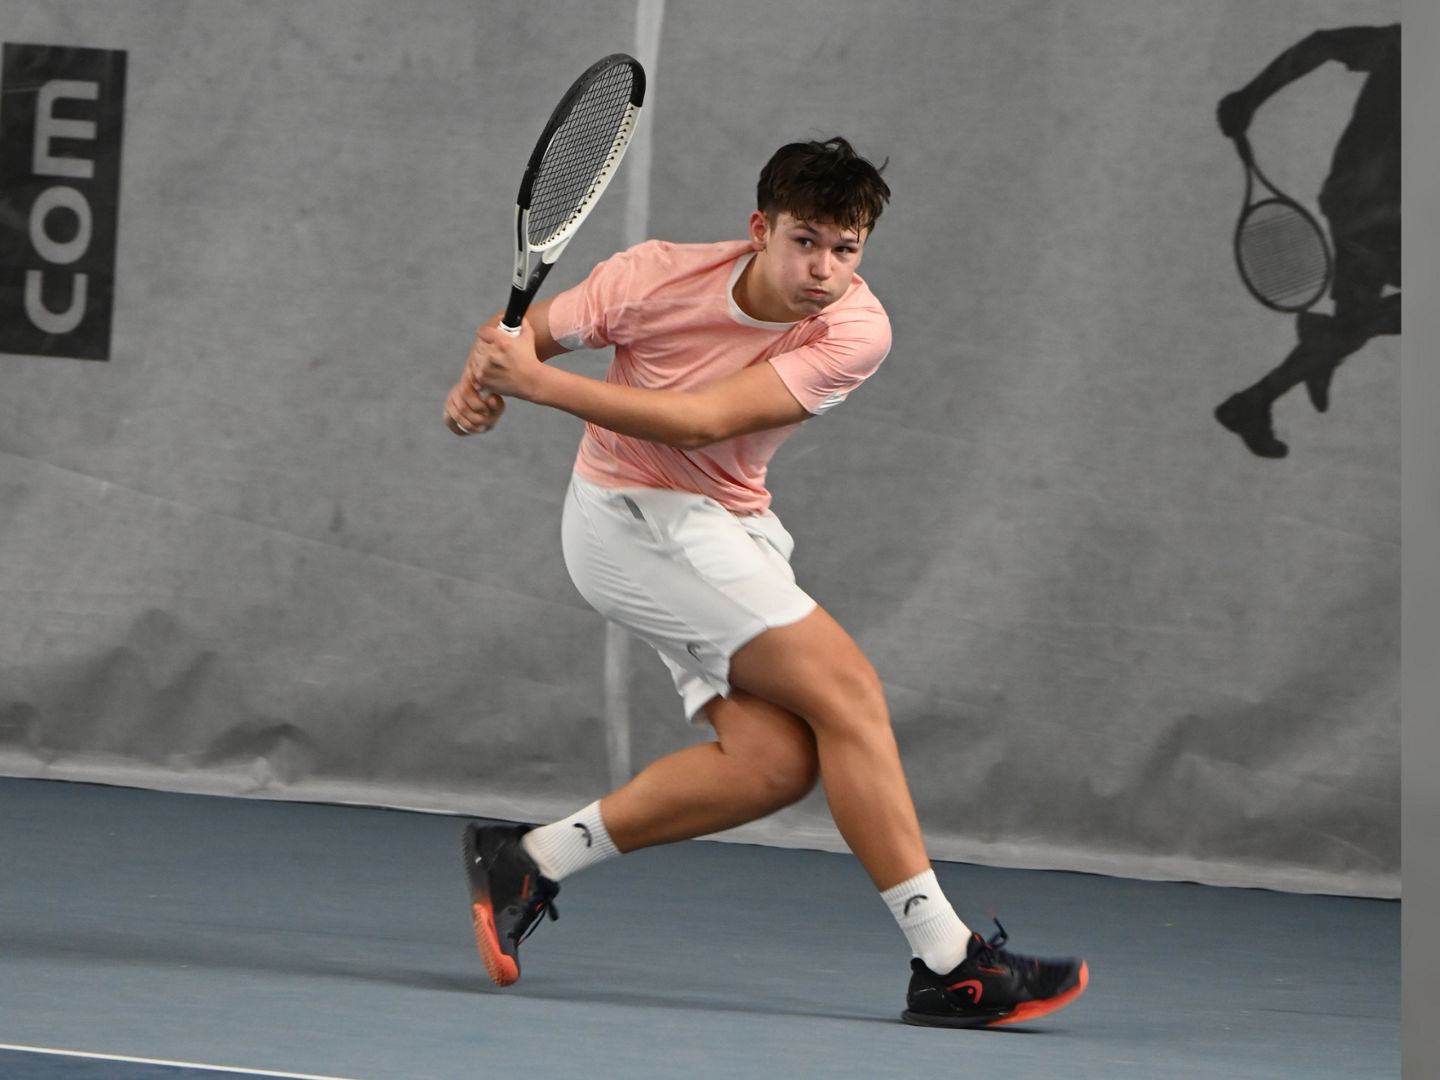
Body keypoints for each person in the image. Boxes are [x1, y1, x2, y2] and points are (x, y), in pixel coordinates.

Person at [443, 136, 1087, 1027]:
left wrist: (534, 385)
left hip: (725, 525)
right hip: (629, 518)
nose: (824, 269)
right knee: (850, 693)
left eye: (845, 248)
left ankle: (532, 860)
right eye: (805, 241)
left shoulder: (855, 329)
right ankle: (949, 963)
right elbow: (517, 335)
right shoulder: (651, 277)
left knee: (772, 766)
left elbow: (702, 422)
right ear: (761, 230)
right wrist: (475, 380)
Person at [1213, 24, 1400, 459]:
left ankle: (1259, 397)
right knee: (1360, 324)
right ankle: (1329, 341)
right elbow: (1323, 44)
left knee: (1351, 327)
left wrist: (1249, 98)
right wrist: (1249, 98)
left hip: (1364, 206)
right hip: (1380, 214)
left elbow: (1322, 45)